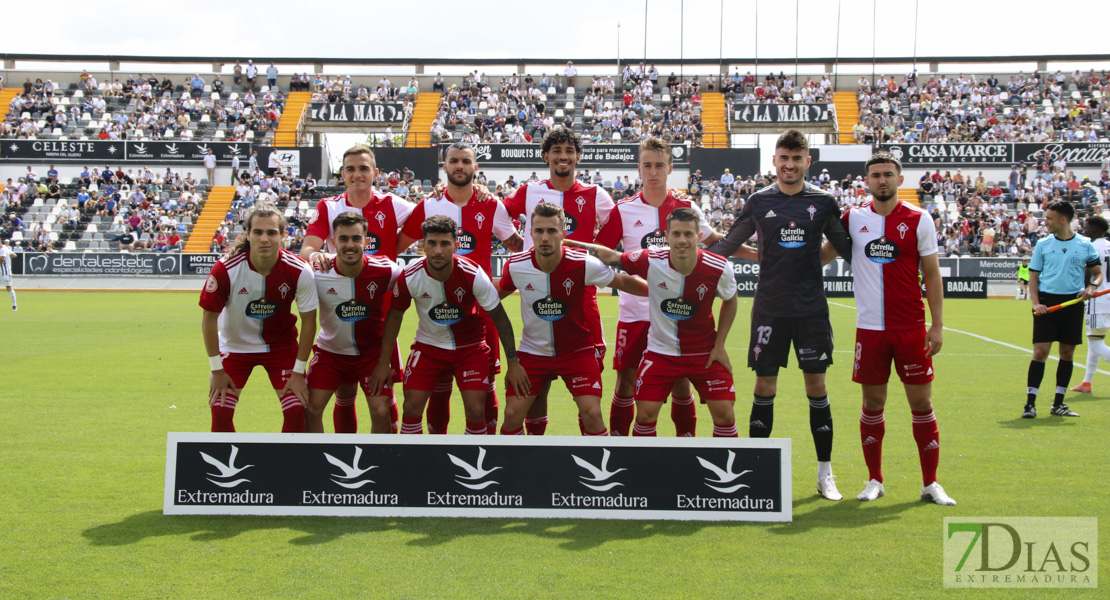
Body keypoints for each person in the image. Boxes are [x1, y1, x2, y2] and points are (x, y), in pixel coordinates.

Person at [706, 129, 853, 500]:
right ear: (774, 160)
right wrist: (688, 256)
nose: (789, 165)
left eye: (796, 158)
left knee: (816, 388)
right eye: (783, 158)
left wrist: (812, 263)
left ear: (808, 161)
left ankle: (825, 474)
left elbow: (845, 246)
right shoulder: (758, 201)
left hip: (811, 311)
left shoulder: (823, 202)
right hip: (769, 310)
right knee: (764, 387)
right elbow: (728, 244)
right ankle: (758, 471)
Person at [837, 152, 956, 506]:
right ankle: (874, 479)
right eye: (875, 175)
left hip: (911, 328)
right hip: (870, 330)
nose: (882, 180)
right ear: (867, 181)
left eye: (888, 174)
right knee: (872, 404)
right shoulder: (853, 218)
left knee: (921, 404)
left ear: (899, 179)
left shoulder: (920, 219)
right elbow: (824, 253)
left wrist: (936, 325)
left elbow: (932, 275)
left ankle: (931, 483)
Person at [569, 208, 740, 437]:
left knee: (726, 415)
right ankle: (645, 469)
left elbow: (731, 299)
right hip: (661, 353)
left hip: (704, 353)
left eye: (688, 234)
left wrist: (720, 345)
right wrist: (566, 243)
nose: (682, 240)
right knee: (645, 415)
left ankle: (718, 469)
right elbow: (612, 257)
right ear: (667, 237)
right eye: (676, 234)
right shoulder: (651, 259)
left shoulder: (719, 266)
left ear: (699, 237)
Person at [593, 136, 722, 436]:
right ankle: (618, 449)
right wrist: (626, 282)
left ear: (670, 169)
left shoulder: (687, 207)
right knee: (625, 383)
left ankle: (684, 446)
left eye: (659, 166)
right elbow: (601, 253)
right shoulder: (623, 209)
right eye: (647, 166)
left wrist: (758, 254)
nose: (653, 172)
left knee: (679, 383)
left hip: (678, 314)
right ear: (639, 169)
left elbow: (715, 245)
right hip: (635, 313)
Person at [398, 142, 523, 434]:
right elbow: (397, 245)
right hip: (437, 313)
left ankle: (485, 448)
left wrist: (503, 285)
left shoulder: (492, 204)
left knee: (485, 390)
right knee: (438, 390)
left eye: (466, 161)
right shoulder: (429, 205)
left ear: (475, 168)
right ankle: (437, 452)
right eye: (453, 161)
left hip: (480, 314)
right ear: (445, 167)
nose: (459, 166)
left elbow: (517, 247)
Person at [498, 203, 648, 436]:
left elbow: (624, 282)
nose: (545, 237)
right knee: (511, 415)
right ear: (530, 233)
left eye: (552, 231)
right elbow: (491, 299)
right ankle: (516, 469)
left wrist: (662, 291)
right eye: (539, 231)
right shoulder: (516, 266)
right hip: (532, 353)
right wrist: (513, 362)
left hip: (577, 351)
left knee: (592, 414)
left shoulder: (583, 263)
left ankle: (600, 466)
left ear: (563, 233)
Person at [370, 215, 528, 435]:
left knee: (475, 410)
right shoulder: (410, 276)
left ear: (455, 245)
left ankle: (474, 462)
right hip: (428, 347)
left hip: (469, 348)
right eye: (432, 243)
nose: (437, 250)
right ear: (422, 245)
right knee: (411, 406)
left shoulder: (473, 274)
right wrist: (383, 363)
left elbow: (500, 317)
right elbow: (394, 318)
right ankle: (412, 464)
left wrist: (514, 363)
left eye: (445, 244)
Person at [503, 126, 614, 434]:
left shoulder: (595, 194)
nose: (563, 156)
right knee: (536, 388)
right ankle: (534, 455)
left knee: (588, 400)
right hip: (538, 293)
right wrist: (514, 241)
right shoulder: (529, 191)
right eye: (556, 151)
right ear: (546, 157)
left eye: (569, 150)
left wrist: (591, 252)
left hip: (582, 301)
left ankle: (591, 453)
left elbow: (619, 225)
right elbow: (497, 212)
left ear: (578, 156)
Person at [300, 146, 414, 432]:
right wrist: (316, 256)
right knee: (344, 394)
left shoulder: (393, 203)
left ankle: (384, 456)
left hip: (379, 312)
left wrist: (390, 252)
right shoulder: (328, 206)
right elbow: (308, 249)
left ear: (375, 173)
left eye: (363, 168)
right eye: (350, 169)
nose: (357, 174)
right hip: (338, 307)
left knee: (382, 399)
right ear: (342, 175)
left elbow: (429, 223)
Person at [199, 203, 319, 433]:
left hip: (281, 347)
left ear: (283, 235)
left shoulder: (299, 270)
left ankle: (286, 468)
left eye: (272, 232)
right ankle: (228, 467)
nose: (265, 238)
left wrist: (297, 372)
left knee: (296, 411)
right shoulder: (225, 269)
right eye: (258, 232)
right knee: (221, 410)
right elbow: (209, 319)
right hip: (235, 347)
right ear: (247, 234)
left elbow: (310, 322)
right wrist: (216, 370)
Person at [305, 212, 402, 434]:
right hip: (331, 353)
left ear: (366, 242)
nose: (350, 245)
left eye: (356, 239)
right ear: (332, 242)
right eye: (343, 238)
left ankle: (377, 464)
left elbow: (417, 283)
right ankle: (318, 463)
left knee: (380, 412)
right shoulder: (316, 273)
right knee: (311, 409)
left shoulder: (386, 270)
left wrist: (385, 362)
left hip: (371, 354)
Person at [1026, 200, 1101, 419]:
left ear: (1063, 219)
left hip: (1073, 304)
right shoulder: (1043, 244)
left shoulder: (1085, 244)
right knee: (1040, 352)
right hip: (1047, 304)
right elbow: (1033, 276)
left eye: (1049, 218)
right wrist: (1036, 303)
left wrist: (1092, 287)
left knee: (1067, 353)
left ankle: (1058, 404)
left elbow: (1097, 273)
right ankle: (1030, 404)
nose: (1045, 222)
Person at [1070, 215, 1110, 395]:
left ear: (1094, 230)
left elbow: (1087, 274)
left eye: (1086, 228)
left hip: (1097, 300)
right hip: (1108, 298)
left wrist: (1080, 292)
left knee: (1095, 344)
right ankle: (1087, 383)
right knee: (1095, 341)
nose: (1084, 231)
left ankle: (1087, 382)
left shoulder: (1091, 247)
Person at [0, 240, 16, 311]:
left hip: (5, 272)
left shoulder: (3, 249)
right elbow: (14, 255)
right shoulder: (6, 248)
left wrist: (6, 260)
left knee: (9, 287)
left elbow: (2, 260)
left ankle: (14, 305)